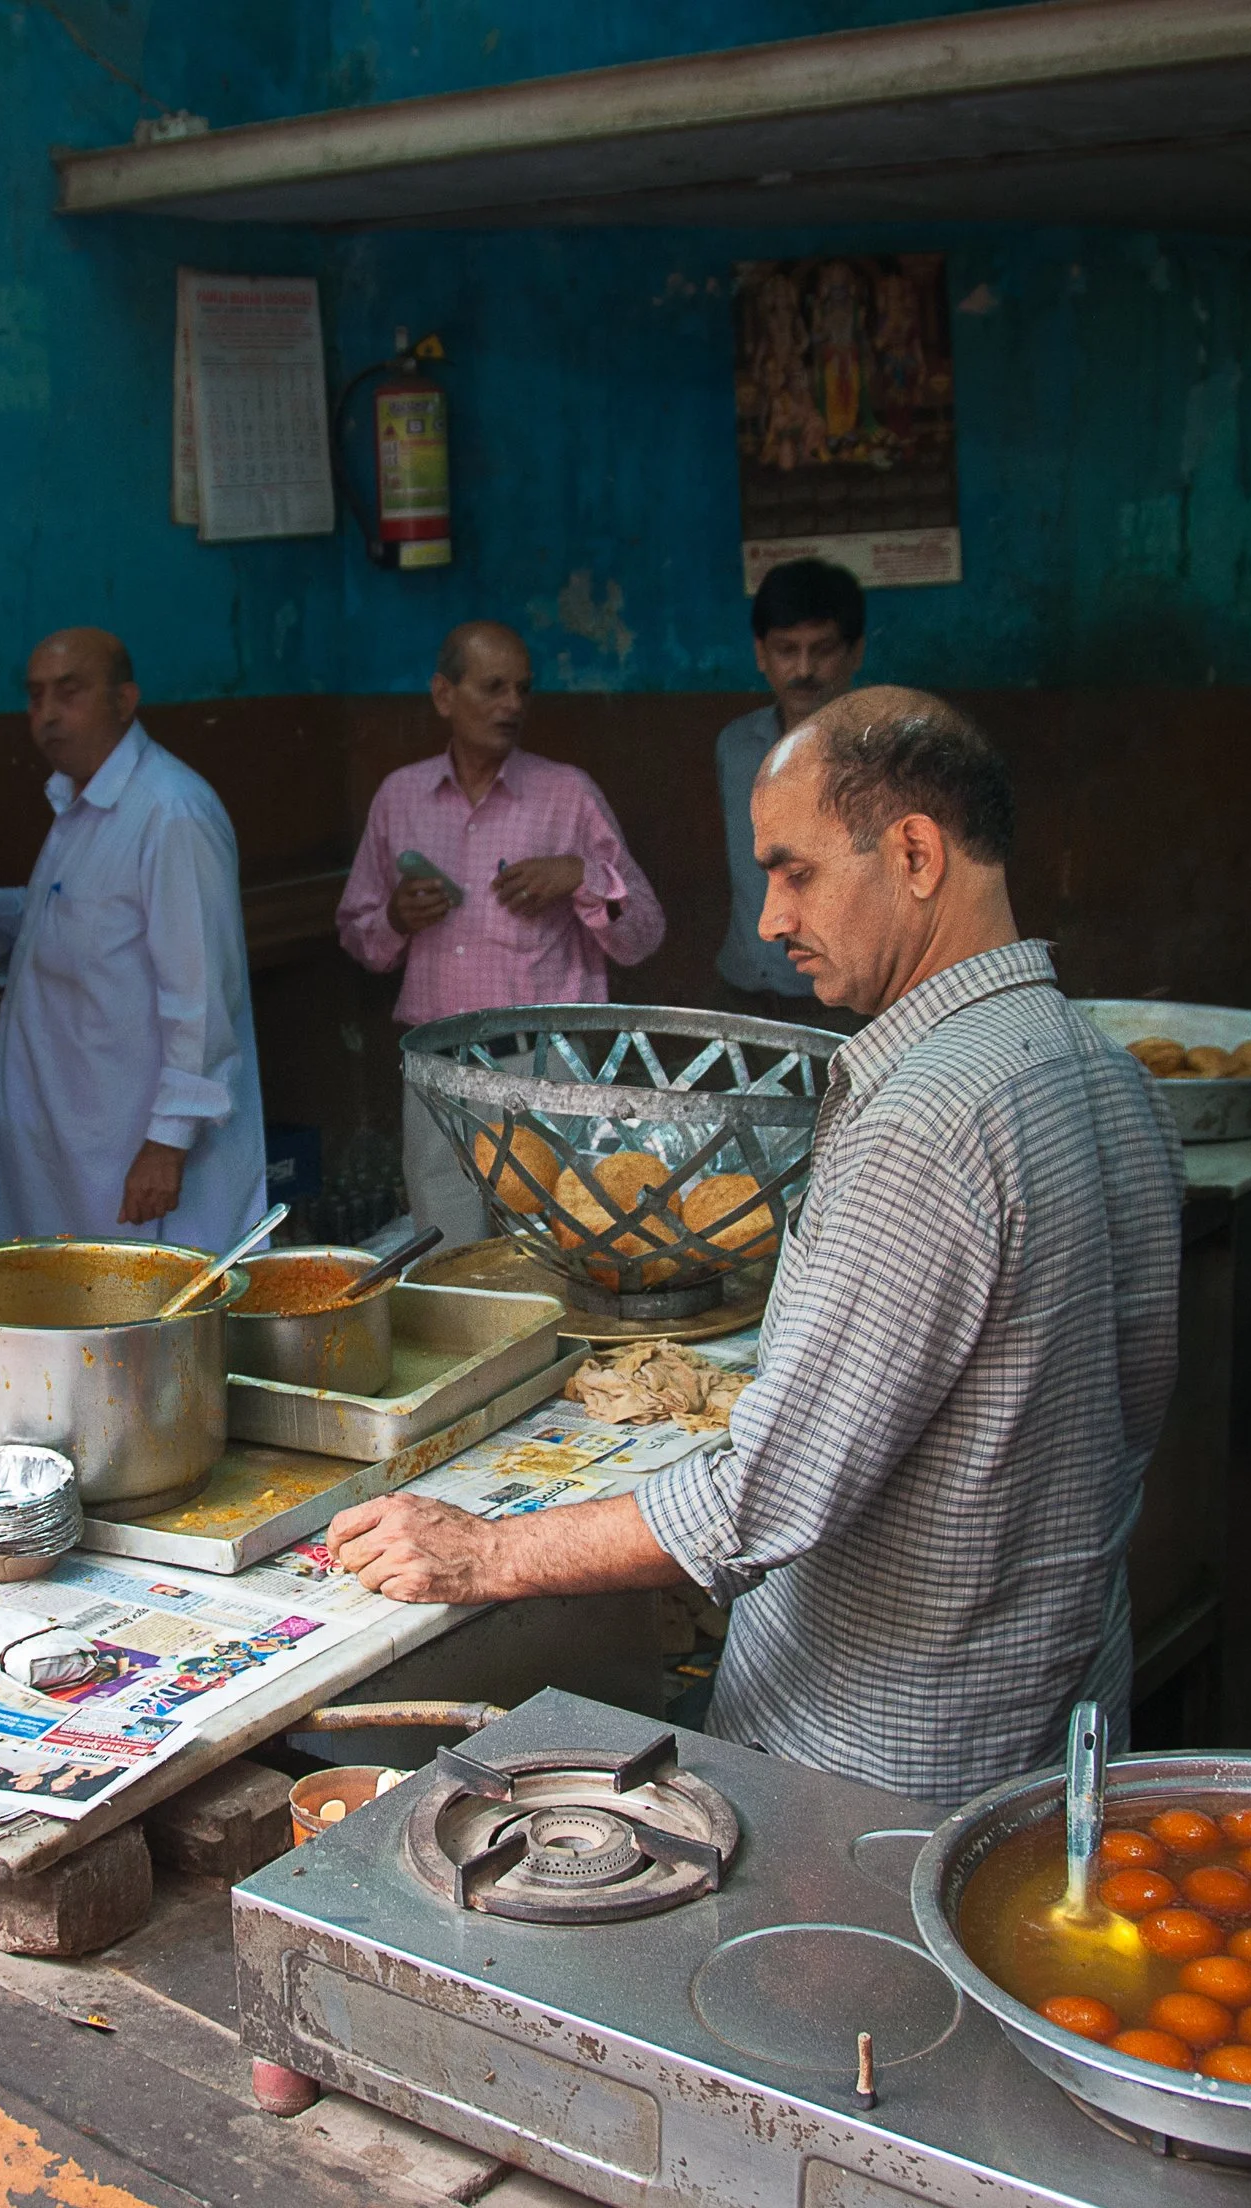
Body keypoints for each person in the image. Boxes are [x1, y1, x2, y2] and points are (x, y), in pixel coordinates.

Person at [330, 689, 1185, 1804]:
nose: (772, 919)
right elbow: (1124, 1412)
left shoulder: (926, 1116)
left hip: (880, 1757)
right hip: (1051, 1715)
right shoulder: (1105, 1073)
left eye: (795, 871)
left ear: (917, 854)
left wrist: (484, 1555)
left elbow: (761, 1500)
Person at [336, 621, 665, 1245]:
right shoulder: (399, 797)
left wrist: (580, 876)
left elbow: (644, 932)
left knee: (557, 1247)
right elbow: (358, 935)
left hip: (543, 1064)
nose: (512, 705)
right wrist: (396, 919)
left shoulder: (565, 793)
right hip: (436, 1065)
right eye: (492, 687)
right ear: (444, 696)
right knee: (449, 1251)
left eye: (523, 689)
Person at [0, 629, 264, 1250]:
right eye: (35, 698)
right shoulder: (80, 806)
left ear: (126, 700)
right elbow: (77, 918)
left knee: (151, 1313)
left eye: (70, 693)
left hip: (132, 1143)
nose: (47, 716)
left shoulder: (170, 812)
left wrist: (166, 1143)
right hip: (70, 1131)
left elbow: (199, 998)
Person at [716, 559, 868, 1018]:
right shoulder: (736, 746)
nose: (804, 668)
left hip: (846, 999)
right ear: (761, 653)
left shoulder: (883, 750)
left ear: (854, 652)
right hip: (744, 989)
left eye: (821, 649)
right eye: (787, 650)